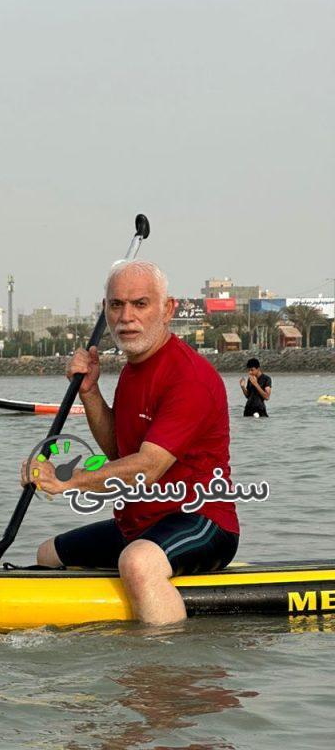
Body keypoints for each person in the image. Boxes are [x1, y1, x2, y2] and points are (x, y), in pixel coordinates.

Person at [22, 260, 240, 626]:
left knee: (137, 563)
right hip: (139, 524)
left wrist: (68, 479)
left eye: (140, 304)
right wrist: (90, 392)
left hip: (202, 521)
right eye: (116, 305)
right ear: (105, 310)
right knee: (48, 555)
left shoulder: (189, 377)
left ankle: (164, 671)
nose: (126, 317)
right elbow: (119, 453)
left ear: (168, 309)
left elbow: (147, 467)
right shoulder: (133, 369)